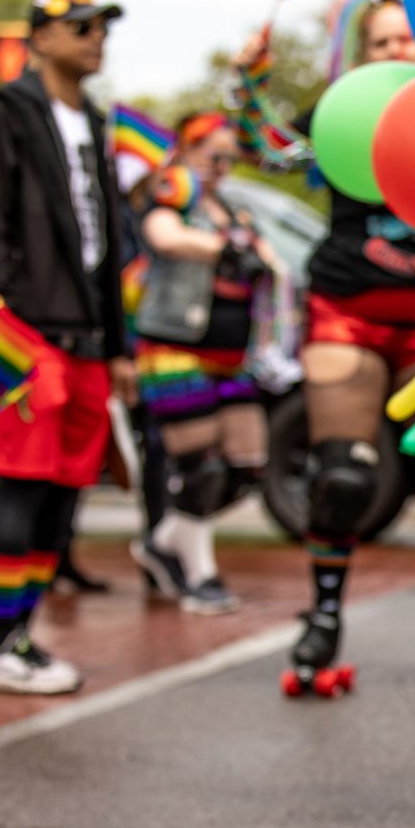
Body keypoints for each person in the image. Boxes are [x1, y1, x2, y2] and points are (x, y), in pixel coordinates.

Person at [233, 0, 415, 690]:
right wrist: (250, 85)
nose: (396, 52)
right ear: (363, 56)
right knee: (345, 477)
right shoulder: (343, 113)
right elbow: (267, 150)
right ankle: (323, 617)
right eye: (382, 42)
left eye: (408, 40)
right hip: (346, 314)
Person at [0, 0, 135, 694]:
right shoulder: (3, 115)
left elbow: (105, 244)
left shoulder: (93, 121)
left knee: (63, 494)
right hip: (30, 333)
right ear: (39, 38)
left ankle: (21, 636)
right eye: (80, 27)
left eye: (101, 27)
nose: (95, 38)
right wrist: (16, 326)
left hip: (89, 336)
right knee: (22, 484)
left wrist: (118, 345)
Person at [128, 113, 273, 613]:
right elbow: (163, 234)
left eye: (229, 157)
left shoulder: (230, 206)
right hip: (174, 346)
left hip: (230, 358)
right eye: (214, 154)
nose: (222, 166)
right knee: (201, 468)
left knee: (247, 466)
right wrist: (222, 249)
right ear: (189, 150)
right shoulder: (175, 190)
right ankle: (199, 574)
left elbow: (267, 258)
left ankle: (163, 538)